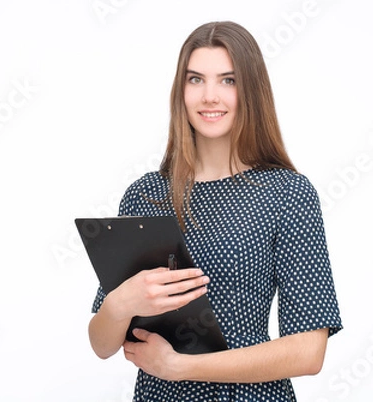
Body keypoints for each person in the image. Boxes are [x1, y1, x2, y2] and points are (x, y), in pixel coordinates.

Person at [88, 20, 342, 401]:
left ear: (250, 91)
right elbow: (102, 344)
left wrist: (180, 367)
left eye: (228, 80)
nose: (210, 96)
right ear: (181, 91)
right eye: (195, 80)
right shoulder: (146, 195)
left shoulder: (287, 192)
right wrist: (123, 303)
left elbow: (308, 351)